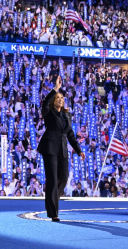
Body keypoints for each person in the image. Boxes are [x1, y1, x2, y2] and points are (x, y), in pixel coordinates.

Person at [37, 76, 85, 222]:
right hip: (50, 147)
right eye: (57, 97)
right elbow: (45, 103)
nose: (60, 99)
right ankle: (53, 212)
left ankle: (50, 202)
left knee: (63, 178)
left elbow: (70, 134)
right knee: (52, 179)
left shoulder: (66, 115)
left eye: (61, 97)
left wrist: (78, 150)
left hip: (63, 149)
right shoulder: (49, 112)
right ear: (54, 100)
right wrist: (55, 89)